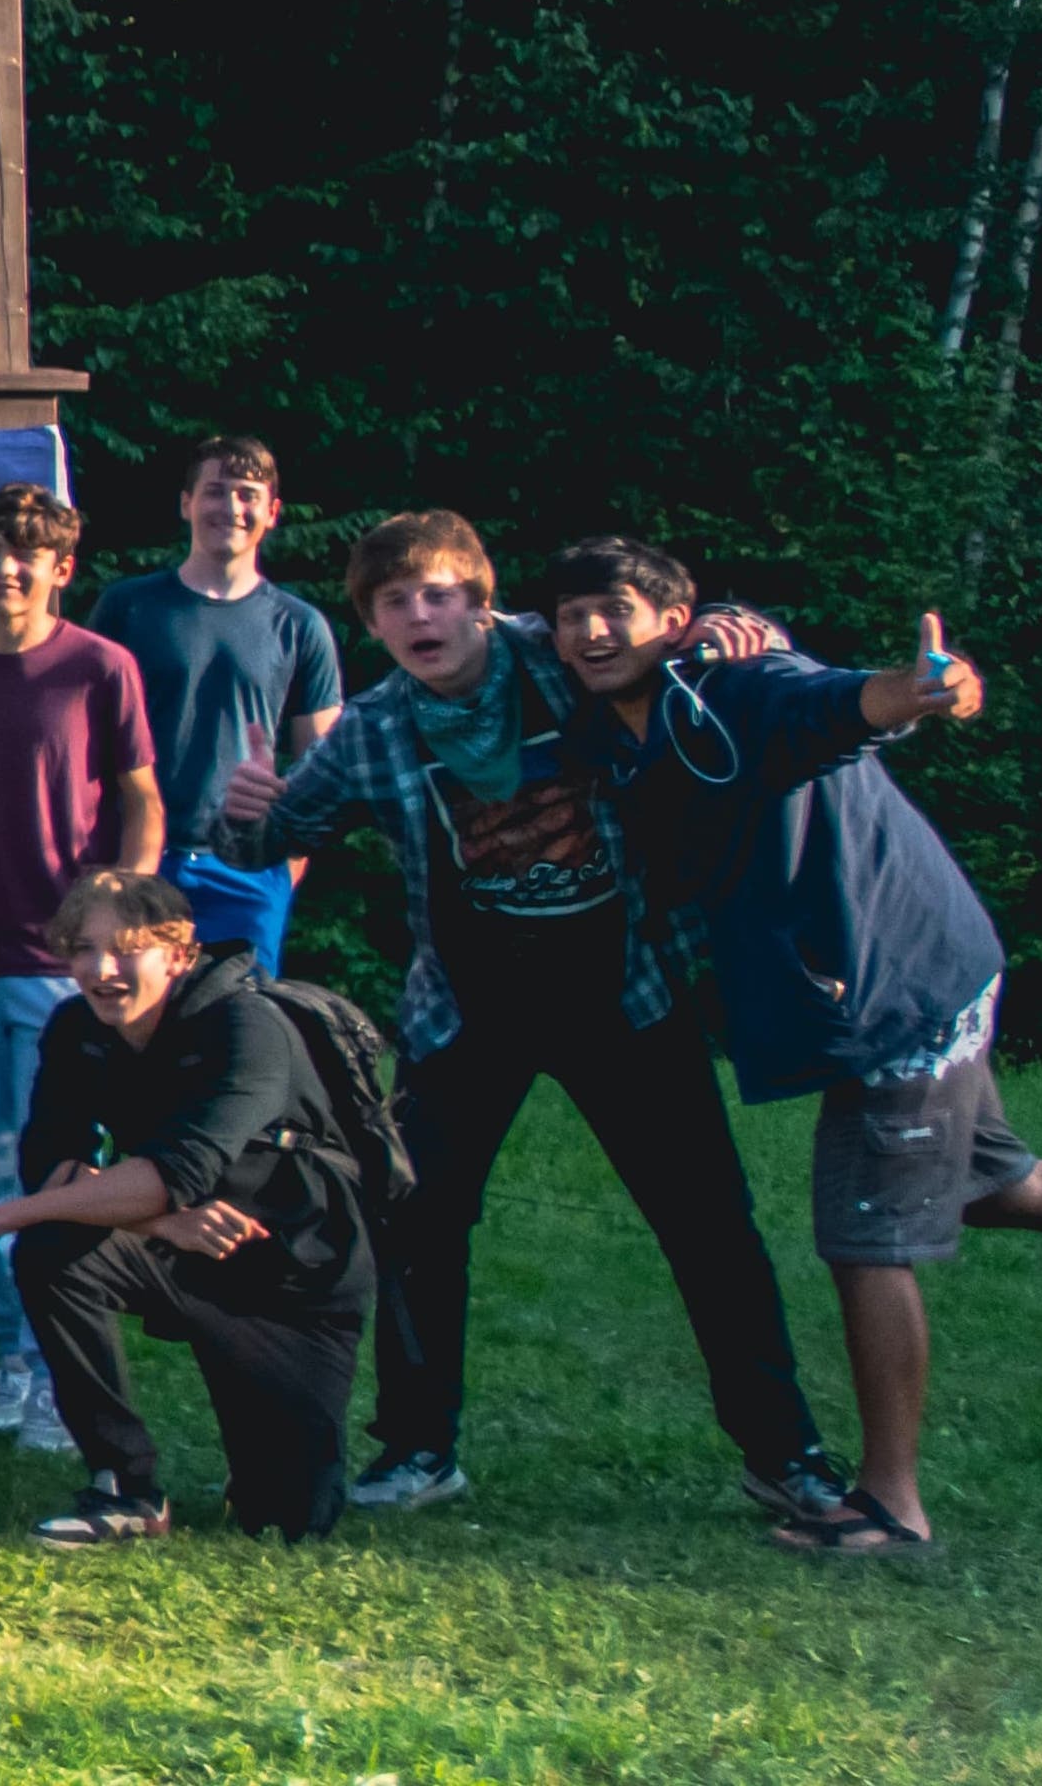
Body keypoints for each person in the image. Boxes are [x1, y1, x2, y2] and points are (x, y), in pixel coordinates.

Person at [531, 540, 1042, 1557]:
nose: (588, 631)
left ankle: (889, 1502)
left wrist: (919, 690)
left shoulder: (737, 687)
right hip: (905, 961)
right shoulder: (611, 712)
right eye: (569, 615)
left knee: (864, 1232)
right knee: (998, 1183)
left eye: (611, 609)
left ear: (671, 614)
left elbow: (838, 703)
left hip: (895, 981)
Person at [207, 511, 838, 1525]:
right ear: (370, 622)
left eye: (439, 592)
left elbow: (666, 631)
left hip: (624, 995)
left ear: (481, 597)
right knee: (414, 1221)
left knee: (707, 1225)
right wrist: (242, 810)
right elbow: (266, 838)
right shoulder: (374, 727)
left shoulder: (557, 656)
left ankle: (783, 1452)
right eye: (393, 601)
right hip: (466, 1010)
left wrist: (731, 621)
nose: (421, 614)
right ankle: (417, 1446)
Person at [0, 869, 380, 1544]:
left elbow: (179, 1170)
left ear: (179, 955)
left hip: (294, 1276)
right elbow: (50, 1163)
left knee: (288, 1519)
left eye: (126, 949)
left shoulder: (247, 1025)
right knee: (52, 1250)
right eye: (83, 950)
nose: (101, 970)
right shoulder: (74, 1028)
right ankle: (123, 1485)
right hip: (179, 1249)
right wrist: (158, 1221)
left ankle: (264, 1458)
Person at [0, 480, 161, 1446]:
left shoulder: (101, 666)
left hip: (60, 964)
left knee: (57, 1163)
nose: (5, 568)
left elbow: (140, 800)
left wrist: (120, 910)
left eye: (27, 554)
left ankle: (63, 1363)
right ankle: (11, 1357)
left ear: (59, 569)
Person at [92, 438, 347, 944]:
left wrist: (285, 863)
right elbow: (80, 737)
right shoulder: (128, 608)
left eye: (248, 495)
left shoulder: (299, 625)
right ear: (186, 503)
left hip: (247, 869)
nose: (230, 507)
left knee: (243, 1019)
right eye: (215, 492)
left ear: (272, 512)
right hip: (137, 860)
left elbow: (325, 768)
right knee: (135, 1018)